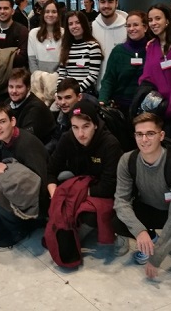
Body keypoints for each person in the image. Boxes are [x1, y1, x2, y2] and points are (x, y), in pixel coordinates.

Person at [114, 113, 171, 278]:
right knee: (118, 221)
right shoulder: (127, 160)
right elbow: (121, 201)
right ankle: (150, 237)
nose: (144, 139)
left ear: (161, 136)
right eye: (139, 134)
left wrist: (156, 257)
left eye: (150, 134)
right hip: (149, 206)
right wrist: (140, 232)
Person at [47, 101, 123, 244]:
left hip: (101, 192)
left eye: (85, 127)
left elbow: (109, 187)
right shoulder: (67, 138)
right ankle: (64, 229)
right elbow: (51, 169)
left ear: (95, 124)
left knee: (89, 216)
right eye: (75, 127)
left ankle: (73, 236)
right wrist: (55, 195)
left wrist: (74, 194)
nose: (80, 134)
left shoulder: (110, 144)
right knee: (50, 196)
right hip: (80, 184)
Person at [0, 103, 48, 248]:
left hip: (37, 199)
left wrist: (9, 168)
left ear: (13, 121)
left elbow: (40, 179)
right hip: (16, 191)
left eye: (2, 122)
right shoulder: (0, 143)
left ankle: (19, 230)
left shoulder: (27, 143)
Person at [137, 3, 171, 138]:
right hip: (156, 108)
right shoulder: (151, 46)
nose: (153, 23)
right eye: (150, 20)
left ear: (168, 21)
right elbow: (146, 77)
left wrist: (170, 108)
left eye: (158, 18)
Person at [99, 10, 149, 116]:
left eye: (135, 25)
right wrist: (102, 101)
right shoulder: (118, 51)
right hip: (120, 109)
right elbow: (108, 79)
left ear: (145, 27)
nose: (131, 29)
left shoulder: (152, 50)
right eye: (128, 26)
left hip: (145, 109)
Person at [3, 67, 56, 144]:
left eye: (19, 87)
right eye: (11, 87)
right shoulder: (7, 102)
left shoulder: (36, 108)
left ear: (28, 87)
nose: (14, 91)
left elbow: (25, 139)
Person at [91, 0, 128, 90]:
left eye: (110, 2)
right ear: (98, 3)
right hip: (97, 89)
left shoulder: (128, 28)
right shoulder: (91, 27)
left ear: (116, 3)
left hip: (122, 90)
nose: (106, 6)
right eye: (103, 2)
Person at [58, 11, 103, 95]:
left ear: (84, 24)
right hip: (67, 93)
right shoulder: (66, 47)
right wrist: (58, 92)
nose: (74, 26)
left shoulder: (93, 46)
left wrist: (75, 92)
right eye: (70, 24)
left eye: (77, 23)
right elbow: (62, 73)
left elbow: (93, 75)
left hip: (84, 93)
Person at [28, 0, 63, 74]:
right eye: (47, 12)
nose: (50, 15)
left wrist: (54, 78)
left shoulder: (64, 33)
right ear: (43, 14)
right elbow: (32, 61)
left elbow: (64, 61)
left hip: (59, 80)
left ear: (58, 14)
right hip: (38, 80)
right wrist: (39, 78)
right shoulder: (33, 33)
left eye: (54, 12)